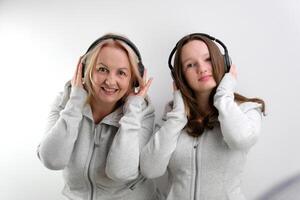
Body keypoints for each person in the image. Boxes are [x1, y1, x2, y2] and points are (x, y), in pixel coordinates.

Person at [140, 33, 266, 200]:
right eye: (190, 65)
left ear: (222, 62)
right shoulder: (172, 118)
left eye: (207, 59)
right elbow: (150, 169)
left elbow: (240, 139)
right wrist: (177, 115)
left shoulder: (246, 110)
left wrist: (223, 96)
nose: (202, 68)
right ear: (180, 77)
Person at [37, 33, 160, 200]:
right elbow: (52, 160)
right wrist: (75, 102)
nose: (110, 81)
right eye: (102, 69)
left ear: (134, 79)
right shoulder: (66, 102)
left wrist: (132, 110)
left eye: (121, 73)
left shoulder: (142, 112)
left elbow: (121, 172)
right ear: (85, 70)